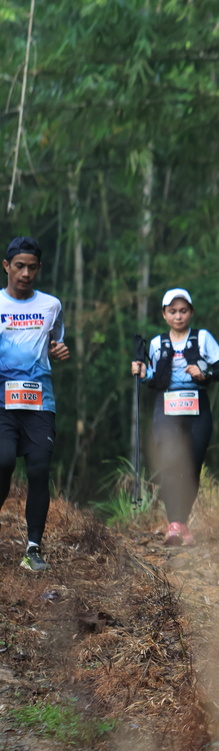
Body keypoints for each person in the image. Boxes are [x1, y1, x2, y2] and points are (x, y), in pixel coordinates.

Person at [131, 288, 219, 546]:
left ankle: (182, 523)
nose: (178, 316)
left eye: (183, 311)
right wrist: (142, 373)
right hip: (167, 408)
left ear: (191, 312)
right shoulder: (157, 343)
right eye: (172, 311)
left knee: (193, 466)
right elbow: (154, 380)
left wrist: (205, 373)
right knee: (171, 463)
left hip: (198, 407)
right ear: (164, 314)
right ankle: (174, 524)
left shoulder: (202, 338)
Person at [0, 236, 69, 571]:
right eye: (19, 266)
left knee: (39, 470)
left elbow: (56, 341)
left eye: (31, 267)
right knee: (3, 463)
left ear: (39, 268)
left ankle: (33, 548)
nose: (25, 273)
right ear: (6, 266)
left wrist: (59, 350)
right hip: (2, 400)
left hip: (40, 401)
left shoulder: (51, 305)